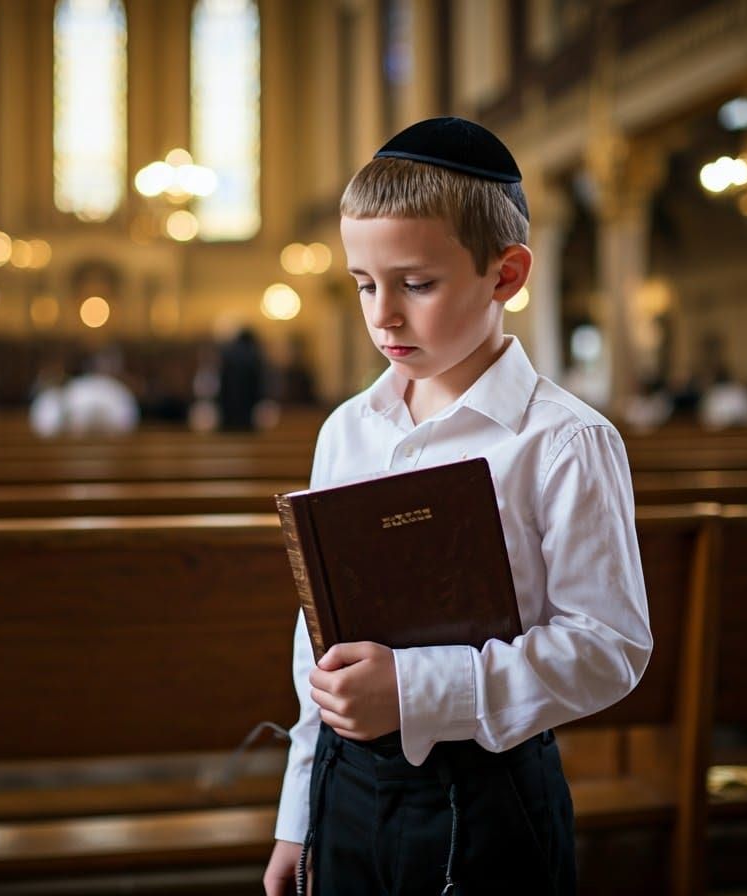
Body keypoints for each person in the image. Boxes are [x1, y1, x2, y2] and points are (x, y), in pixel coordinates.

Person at [263, 117, 651, 895]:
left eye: (417, 283)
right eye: (365, 284)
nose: (383, 315)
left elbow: (609, 648)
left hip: (488, 799)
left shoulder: (565, 440)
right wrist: (297, 816)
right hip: (344, 792)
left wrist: (416, 690)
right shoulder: (347, 429)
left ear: (506, 275)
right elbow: (321, 647)